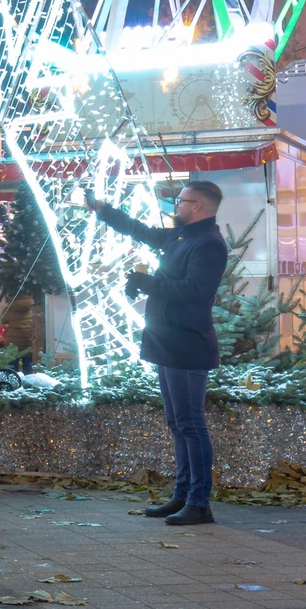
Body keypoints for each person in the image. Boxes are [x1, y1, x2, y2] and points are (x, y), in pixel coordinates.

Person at [90, 179, 228, 526]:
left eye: (180, 201)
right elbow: (141, 231)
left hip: (187, 342)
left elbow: (195, 290)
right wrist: (105, 211)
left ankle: (199, 502)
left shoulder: (208, 244)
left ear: (198, 206)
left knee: (192, 425)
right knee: (177, 423)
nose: (174, 205)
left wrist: (146, 283)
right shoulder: (180, 236)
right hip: (167, 340)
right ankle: (182, 494)